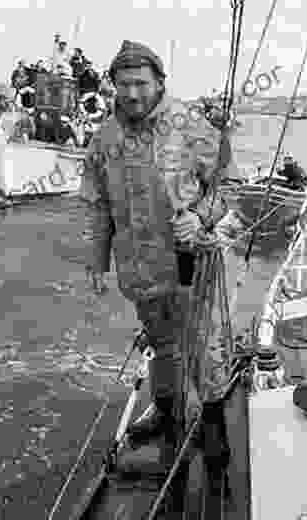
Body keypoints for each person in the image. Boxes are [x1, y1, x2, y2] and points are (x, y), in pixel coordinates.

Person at [80, 40, 239, 482]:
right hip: (140, 268)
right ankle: (169, 425)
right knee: (162, 347)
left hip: (192, 261)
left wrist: (204, 217)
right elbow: (96, 205)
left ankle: (213, 431)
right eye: (124, 84)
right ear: (113, 85)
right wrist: (95, 259)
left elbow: (231, 183)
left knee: (203, 348)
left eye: (141, 84)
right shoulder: (104, 139)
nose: (132, 94)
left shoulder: (191, 125)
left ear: (160, 83)